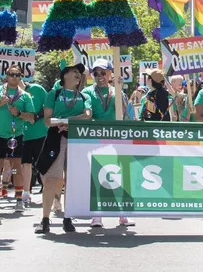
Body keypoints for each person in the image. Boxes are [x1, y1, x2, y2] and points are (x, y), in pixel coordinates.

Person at [36, 62, 92, 234]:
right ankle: (45, 219)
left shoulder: (84, 97)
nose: (78, 75)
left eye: (80, 73)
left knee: (72, 181)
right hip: (55, 138)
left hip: (77, 139)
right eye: (74, 71)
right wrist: (61, 122)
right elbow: (47, 119)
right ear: (64, 75)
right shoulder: (53, 94)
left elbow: (88, 116)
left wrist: (68, 121)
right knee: (52, 179)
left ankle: (68, 218)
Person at [83, 58, 133, 228]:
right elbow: (87, 113)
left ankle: (123, 213)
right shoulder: (88, 91)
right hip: (97, 140)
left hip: (117, 139)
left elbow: (125, 112)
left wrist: (119, 90)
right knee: (98, 176)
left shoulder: (117, 90)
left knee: (121, 175)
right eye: (96, 73)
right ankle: (97, 214)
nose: (99, 76)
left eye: (103, 72)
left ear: (111, 73)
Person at [0, 67, 33, 222]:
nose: (14, 77)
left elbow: (32, 117)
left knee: (16, 168)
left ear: (21, 77)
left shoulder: (25, 96)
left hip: (16, 135)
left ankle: (19, 200)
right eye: (11, 75)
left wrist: (20, 114)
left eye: (17, 75)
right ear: (6, 76)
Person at [19, 73, 49, 208]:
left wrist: (36, 116)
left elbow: (48, 106)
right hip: (23, 134)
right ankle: (26, 194)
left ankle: (49, 193)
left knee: (42, 164)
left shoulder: (37, 89)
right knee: (25, 164)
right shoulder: (12, 95)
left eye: (16, 76)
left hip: (40, 133)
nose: (14, 80)